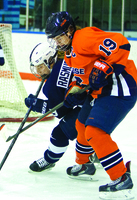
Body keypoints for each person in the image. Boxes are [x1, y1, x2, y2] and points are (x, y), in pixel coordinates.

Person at [45, 11, 137, 199]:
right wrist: (74, 92)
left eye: (60, 37)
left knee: (95, 132)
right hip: (101, 90)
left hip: (119, 87)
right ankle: (85, 164)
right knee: (81, 124)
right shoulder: (70, 52)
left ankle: (121, 178)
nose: (57, 42)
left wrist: (104, 67)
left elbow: (121, 43)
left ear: (70, 30)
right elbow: (84, 77)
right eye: (54, 39)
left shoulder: (83, 37)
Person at [25, 42, 91, 172]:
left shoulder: (51, 86)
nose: (38, 71)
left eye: (40, 67)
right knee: (90, 131)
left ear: (50, 61)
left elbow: (59, 111)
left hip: (90, 104)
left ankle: (49, 160)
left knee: (60, 134)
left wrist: (36, 104)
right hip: (101, 98)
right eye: (36, 68)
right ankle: (94, 153)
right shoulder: (64, 60)